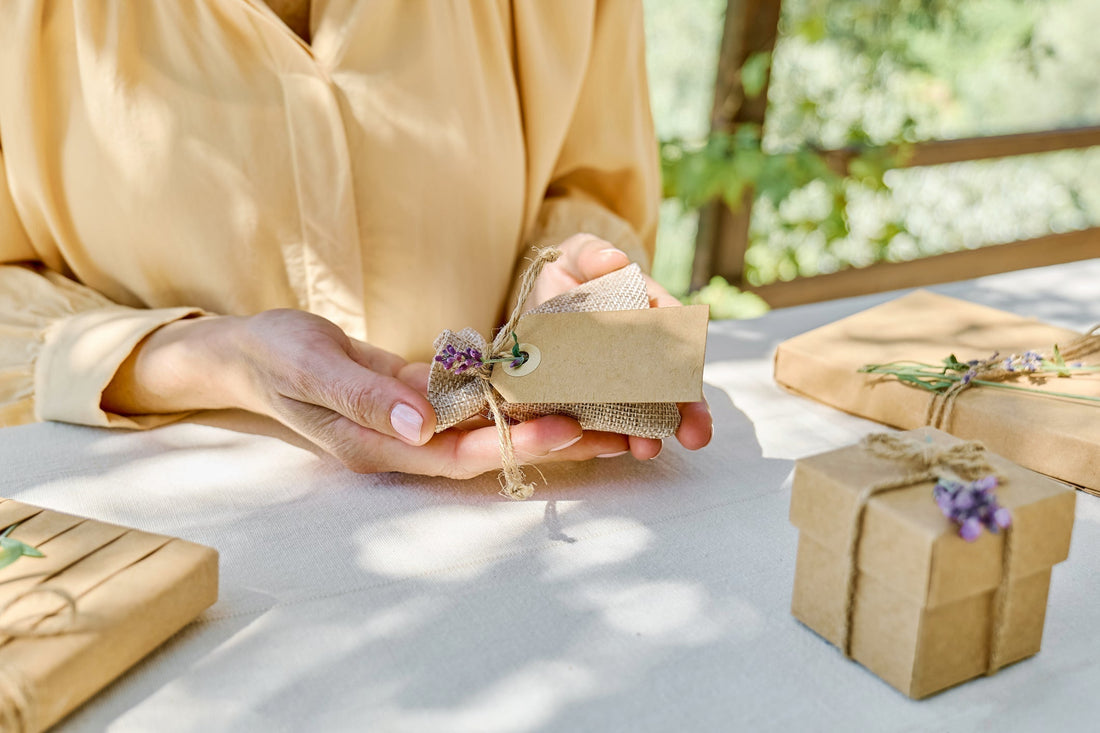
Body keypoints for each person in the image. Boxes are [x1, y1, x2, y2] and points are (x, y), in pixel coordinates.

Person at [0, 0, 711, 479]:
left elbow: (589, 186)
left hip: (511, 518)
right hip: (162, 549)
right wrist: (204, 358)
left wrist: (571, 293)